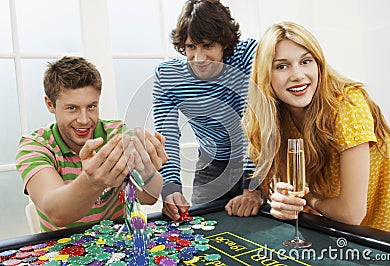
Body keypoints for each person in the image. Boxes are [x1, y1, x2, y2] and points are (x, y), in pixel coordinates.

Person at [244, 21, 390, 233]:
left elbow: (351, 213)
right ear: (265, 77)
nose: (298, 75)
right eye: (281, 66)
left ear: (319, 65)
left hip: (387, 231)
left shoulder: (348, 104)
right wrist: (283, 202)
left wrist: (311, 198)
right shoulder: (272, 120)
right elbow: (295, 195)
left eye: (306, 61)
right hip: (336, 230)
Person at [16, 56, 168, 232]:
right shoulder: (35, 147)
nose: (84, 120)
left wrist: (147, 170)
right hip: (61, 251)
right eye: (72, 108)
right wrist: (92, 182)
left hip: (116, 246)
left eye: (91, 106)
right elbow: (57, 214)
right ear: (50, 104)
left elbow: (148, 198)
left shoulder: (116, 134)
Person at [153, 0, 264, 221]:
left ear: (224, 43)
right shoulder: (168, 76)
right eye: (191, 47)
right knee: (204, 226)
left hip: (256, 161)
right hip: (211, 165)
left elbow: (257, 120)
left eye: (208, 46)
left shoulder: (248, 57)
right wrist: (170, 187)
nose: (199, 58)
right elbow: (168, 137)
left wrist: (252, 187)